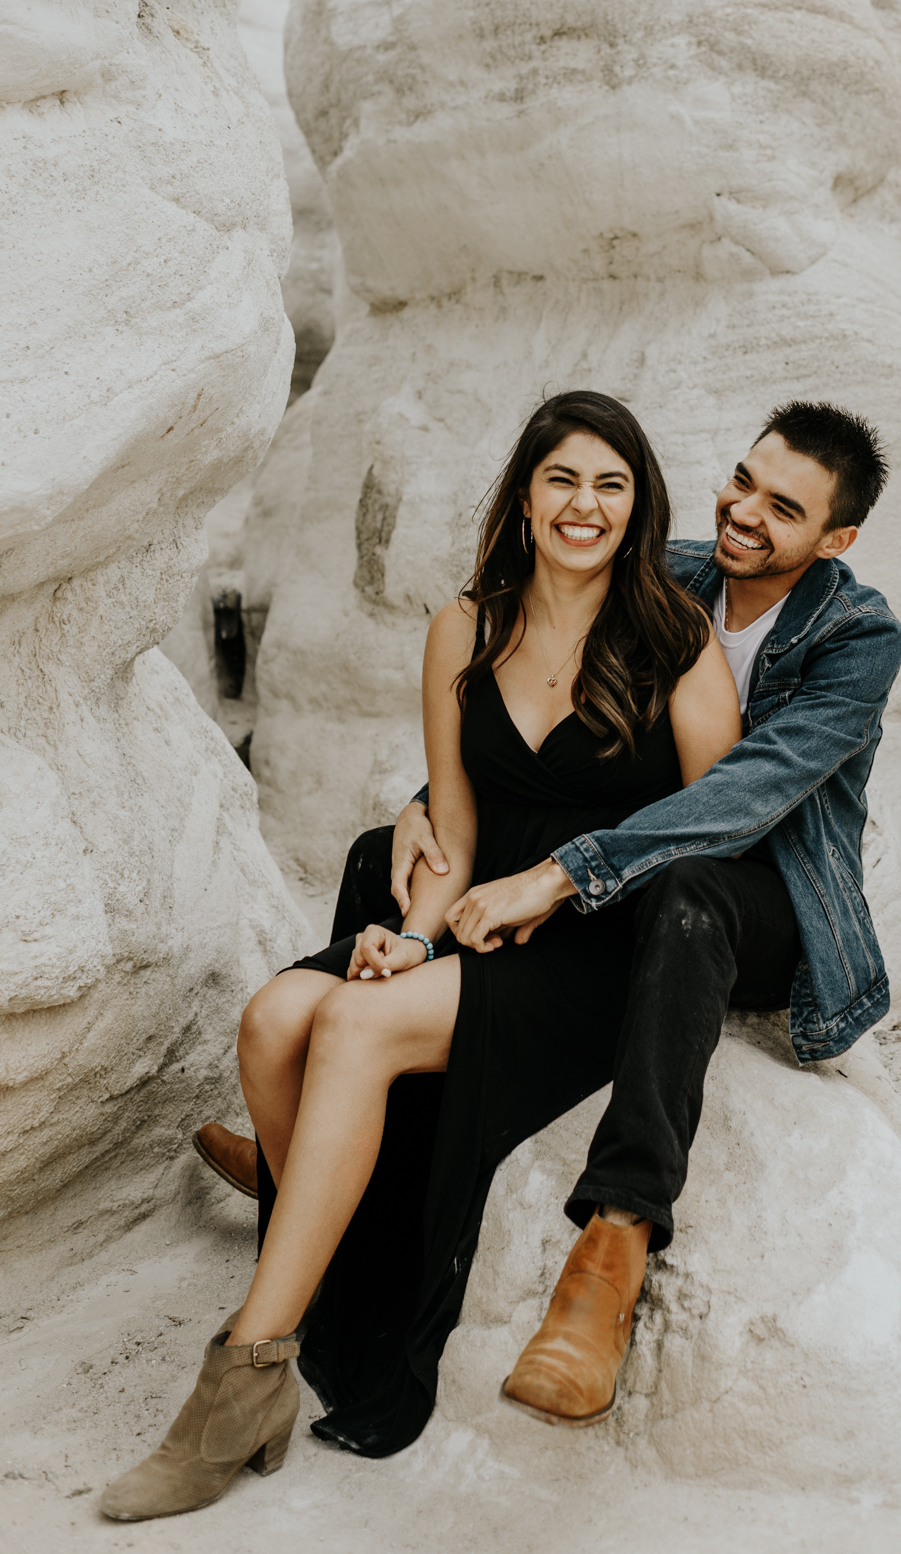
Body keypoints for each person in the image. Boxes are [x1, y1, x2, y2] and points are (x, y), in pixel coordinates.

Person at [192, 398, 901, 1435]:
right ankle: (319, 1148)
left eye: (782, 505)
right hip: (633, 863)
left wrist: (562, 874)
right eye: (743, 479)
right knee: (377, 861)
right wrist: (424, 805)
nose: (745, 510)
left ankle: (615, 1240)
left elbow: (743, 796)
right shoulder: (680, 569)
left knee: (684, 891)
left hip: (763, 888)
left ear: (835, 538)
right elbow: (520, 723)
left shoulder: (858, 634)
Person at [99, 391, 740, 1521]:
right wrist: (413, 933)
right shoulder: (465, 626)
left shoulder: (676, 640)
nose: (583, 505)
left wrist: (568, 881)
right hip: (476, 914)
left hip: (597, 947)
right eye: (562, 479)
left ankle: (247, 1371)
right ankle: (336, 1269)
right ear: (525, 495)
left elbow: (715, 827)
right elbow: (450, 823)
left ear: (639, 507)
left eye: (611, 484)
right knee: (274, 1018)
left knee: (347, 1024)